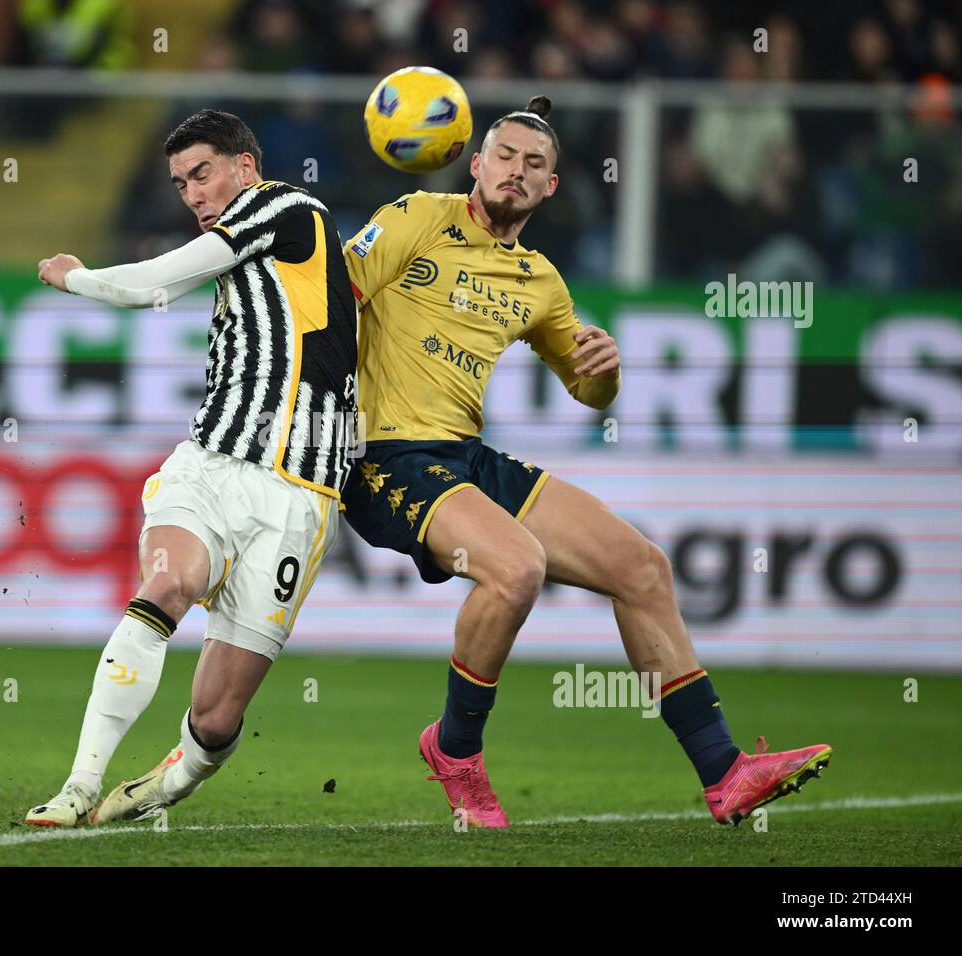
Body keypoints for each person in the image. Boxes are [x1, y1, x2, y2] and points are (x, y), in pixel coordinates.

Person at [340, 96, 831, 828]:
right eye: (504, 156)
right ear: (475, 165)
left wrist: (604, 367)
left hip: (461, 455)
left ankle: (724, 773)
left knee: (641, 567)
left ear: (550, 188)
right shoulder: (414, 216)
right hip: (383, 456)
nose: (517, 170)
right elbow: (330, 298)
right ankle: (458, 752)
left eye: (534, 164)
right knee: (517, 569)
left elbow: (589, 390)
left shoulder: (539, 281)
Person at [26, 108, 357, 826]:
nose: (194, 195)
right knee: (168, 584)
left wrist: (75, 275)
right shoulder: (241, 251)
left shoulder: (285, 207)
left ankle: (167, 784)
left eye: (202, 174)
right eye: (180, 184)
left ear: (245, 166)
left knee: (213, 719)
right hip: (210, 465)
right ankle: (79, 784)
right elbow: (160, 288)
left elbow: (146, 284)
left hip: (299, 493)